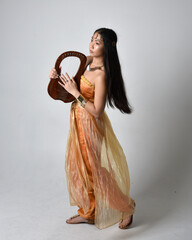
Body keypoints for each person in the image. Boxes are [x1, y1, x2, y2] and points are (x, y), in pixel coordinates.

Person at [49, 27, 136, 230]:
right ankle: (89, 212)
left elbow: (97, 111)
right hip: (77, 120)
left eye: (98, 42)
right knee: (79, 167)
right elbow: (68, 89)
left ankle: (126, 207)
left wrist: (75, 91)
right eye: (92, 39)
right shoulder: (87, 61)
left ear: (108, 48)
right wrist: (56, 76)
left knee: (96, 170)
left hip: (91, 124)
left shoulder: (102, 75)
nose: (92, 44)